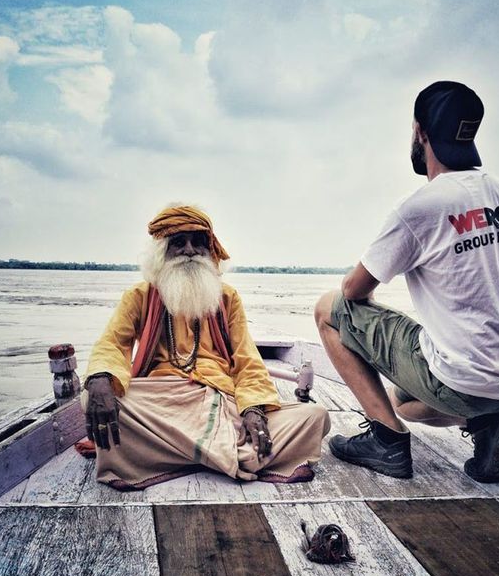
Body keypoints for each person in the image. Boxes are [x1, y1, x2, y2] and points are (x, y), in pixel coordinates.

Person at [314, 81, 499, 483]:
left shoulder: (423, 206)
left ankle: (386, 442)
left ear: (420, 131)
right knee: (405, 402)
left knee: (329, 310)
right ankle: (489, 428)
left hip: (460, 380)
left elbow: (353, 293)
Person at [82, 205, 330, 489]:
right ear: (162, 251)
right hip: (164, 404)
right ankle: (231, 455)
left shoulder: (226, 298)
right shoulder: (140, 295)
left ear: (210, 249)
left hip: (222, 401)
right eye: (179, 242)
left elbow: (247, 361)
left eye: (198, 242)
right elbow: (113, 343)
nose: (190, 250)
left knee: (315, 418)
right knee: (93, 397)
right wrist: (101, 376)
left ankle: (174, 454)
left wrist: (252, 409)